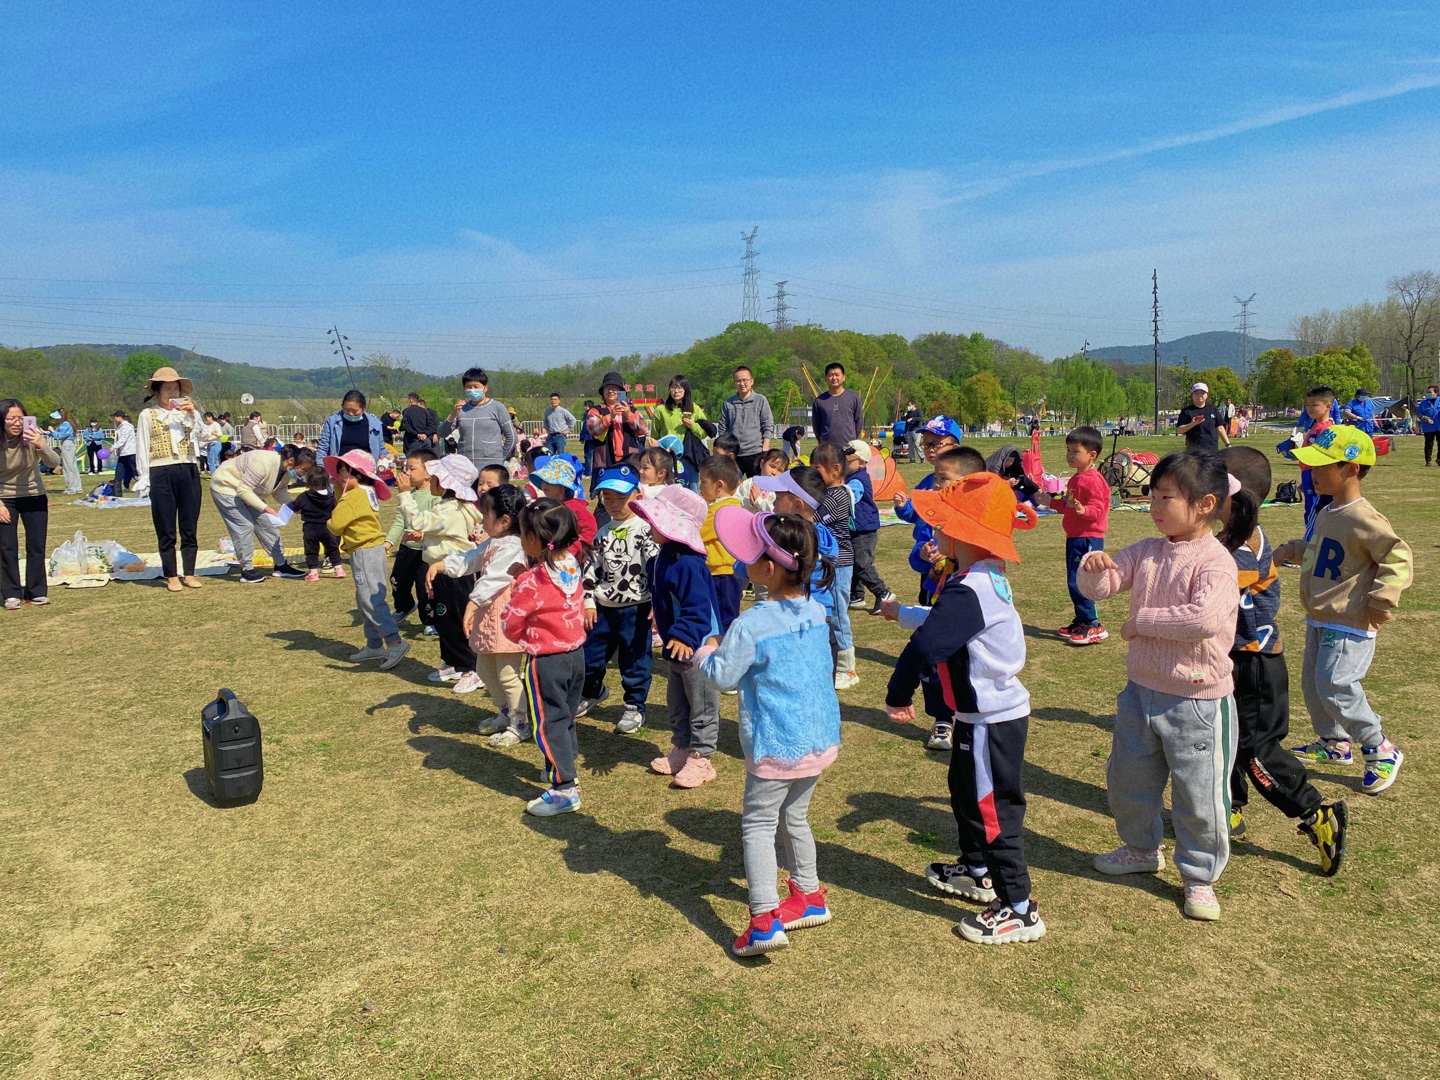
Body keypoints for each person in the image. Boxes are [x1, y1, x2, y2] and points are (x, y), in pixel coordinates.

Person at [1078, 451, 1240, 922]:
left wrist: (1140, 622)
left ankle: (1200, 875)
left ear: (1205, 504)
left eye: (1166, 498)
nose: (1154, 506)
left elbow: (1203, 620)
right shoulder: (1148, 550)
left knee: (1199, 794)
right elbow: (1102, 586)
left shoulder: (1215, 561)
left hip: (1197, 701)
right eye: (1152, 496)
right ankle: (1140, 849)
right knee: (1128, 780)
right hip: (1140, 692)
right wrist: (1093, 570)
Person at [883, 472, 1044, 944]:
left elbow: (927, 644)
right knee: (965, 793)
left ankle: (1019, 907)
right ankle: (977, 869)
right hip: (977, 719)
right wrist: (904, 613)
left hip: (992, 721)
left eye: (941, 523)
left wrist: (897, 694)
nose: (933, 530)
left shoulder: (971, 587)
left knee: (994, 812)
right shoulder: (977, 577)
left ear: (963, 533)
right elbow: (945, 622)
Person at [697, 511, 841, 956]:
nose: (743, 561)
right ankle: (809, 895)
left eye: (751, 554)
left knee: (759, 824)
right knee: (795, 816)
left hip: (777, 744)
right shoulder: (815, 609)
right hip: (818, 738)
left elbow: (722, 676)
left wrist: (705, 650)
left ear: (769, 568)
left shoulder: (751, 624)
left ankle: (763, 919)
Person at [1219, 447, 1348, 874]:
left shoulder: (1238, 549)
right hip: (1236, 659)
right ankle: (1228, 807)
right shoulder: (1233, 537)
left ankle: (1316, 813)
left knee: (1257, 752)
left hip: (1256, 665)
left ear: (1233, 496)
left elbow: (1213, 590)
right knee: (1227, 737)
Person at [1273, 426, 1411, 795]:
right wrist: (1292, 550)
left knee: (1335, 684)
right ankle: (1334, 742)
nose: (1312, 473)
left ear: (1351, 469)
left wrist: (1382, 600)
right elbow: (1323, 552)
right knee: (1313, 684)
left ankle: (1379, 747)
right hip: (1320, 614)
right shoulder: (1327, 510)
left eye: (1321, 466)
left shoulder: (1364, 517)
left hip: (1349, 619)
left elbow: (1397, 557)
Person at [502, 499, 588, 817]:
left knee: (549, 723)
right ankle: (566, 766)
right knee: (565, 716)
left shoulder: (532, 581)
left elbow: (511, 621)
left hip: (547, 661)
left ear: (533, 538)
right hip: (576, 655)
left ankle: (564, 788)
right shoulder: (572, 564)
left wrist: (520, 584)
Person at [632, 486, 722, 789]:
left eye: (656, 521)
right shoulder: (664, 557)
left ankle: (702, 757)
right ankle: (682, 747)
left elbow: (698, 606)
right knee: (677, 702)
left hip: (697, 646)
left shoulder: (688, 563)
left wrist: (684, 634)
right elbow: (666, 594)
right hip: (676, 646)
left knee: (702, 703)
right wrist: (658, 610)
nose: (650, 525)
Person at [438, 484, 531, 747]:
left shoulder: (513, 546)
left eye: (485, 514)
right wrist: (444, 565)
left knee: (508, 674)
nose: (481, 520)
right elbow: (471, 558)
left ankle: (520, 722)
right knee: (485, 669)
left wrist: (473, 603)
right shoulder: (493, 542)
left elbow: (494, 578)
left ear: (505, 520)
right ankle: (504, 712)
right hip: (489, 617)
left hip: (507, 618)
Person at [578, 463, 659, 734]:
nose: (613, 504)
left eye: (621, 497)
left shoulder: (647, 531)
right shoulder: (602, 533)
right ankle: (592, 691)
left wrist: (658, 602)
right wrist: (589, 602)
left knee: (634, 660)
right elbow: (590, 570)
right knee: (590, 657)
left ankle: (635, 705)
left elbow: (656, 569)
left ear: (638, 495)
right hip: (603, 609)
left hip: (637, 608)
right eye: (607, 497)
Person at [401, 454, 482, 689]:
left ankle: (472, 667)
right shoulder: (453, 507)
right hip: (445, 572)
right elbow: (448, 535)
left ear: (445, 483)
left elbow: (418, 521)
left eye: (435, 477)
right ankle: (453, 662)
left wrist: (404, 494)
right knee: (444, 618)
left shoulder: (449, 509)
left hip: (453, 573)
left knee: (457, 619)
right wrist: (424, 537)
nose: (431, 480)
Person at [325, 450, 409, 671]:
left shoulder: (353, 496)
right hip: (374, 549)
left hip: (363, 551)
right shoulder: (366, 491)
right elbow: (345, 504)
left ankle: (394, 642)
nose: (339, 476)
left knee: (370, 599)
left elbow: (336, 524)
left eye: (342, 471)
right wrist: (339, 487)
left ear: (354, 473)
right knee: (367, 597)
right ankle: (374, 644)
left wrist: (332, 513)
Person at [134, 366, 204, 592]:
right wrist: (144, 478)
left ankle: (189, 573)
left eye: (175, 388)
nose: (172, 393)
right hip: (161, 470)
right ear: (157, 391)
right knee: (165, 525)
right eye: (167, 389)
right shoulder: (147, 415)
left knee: (189, 524)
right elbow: (142, 447)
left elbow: (205, 436)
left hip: (188, 468)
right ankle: (171, 575)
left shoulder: (189, 413)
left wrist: (193, 415)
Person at [209, 444, 310, 584]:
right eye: (303, 470)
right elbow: (243, 490)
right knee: (244, 526)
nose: (302, 474)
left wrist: (293, 506)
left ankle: (281, 565)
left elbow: (279, 491)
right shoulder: (262, 463)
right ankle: (247, 570)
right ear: (291, 460)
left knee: (267, 525)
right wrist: (265, 508)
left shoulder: (285, 470)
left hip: (248, 491)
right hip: (226, 487)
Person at [892, 416, 965, 604]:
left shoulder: (964, 487)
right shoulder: (927, 482)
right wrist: (904, 507)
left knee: (947, 605)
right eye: (926, 444)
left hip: (953, 563)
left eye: (936, 444)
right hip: (925, 553)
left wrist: (948, 549)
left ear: (955, 448)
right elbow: (915, 513)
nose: (930, 449)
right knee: (926, 601)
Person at [1050, 426, 1110, 646]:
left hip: (1087, 538)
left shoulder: (1092, 480)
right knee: (1073, 579)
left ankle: (1093, 624)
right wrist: (1049, 502)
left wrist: (1084, 511)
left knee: (1082, 580)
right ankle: (1082, 619)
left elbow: (1098, 508)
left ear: (1092, 455)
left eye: (1075, 451)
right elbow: (1068, 504)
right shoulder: (1076, 478)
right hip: (1075, 536)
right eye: (1068, 450)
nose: (1069, 455)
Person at [1, 399, 62, 608]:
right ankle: (11, 593)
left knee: (36, 546)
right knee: (7, 547)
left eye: (20, 418)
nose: (17, 423)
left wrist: (41, 444)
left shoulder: (31, 437)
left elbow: (54, 463)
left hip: (34, 495)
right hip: (4, 497)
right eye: (11, 419)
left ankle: (36, 591)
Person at [810, 442, 858, 690]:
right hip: (828, 564)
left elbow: (814, 517)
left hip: (840, 564)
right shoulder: (828, 494)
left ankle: (847, 669)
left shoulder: (837, 496)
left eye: (817, 469)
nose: (813, 474)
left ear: (836, 469)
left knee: (838, 615)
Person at [386, 448, 440, 633]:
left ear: (428, 473)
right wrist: (388, 542)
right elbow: (399, 520)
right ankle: (404, 606)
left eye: (412, 468)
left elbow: (438, 525)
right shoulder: (408, 494)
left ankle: (430, 620)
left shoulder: (435, 496)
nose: (407, 472)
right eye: (406, 468)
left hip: (426, 551)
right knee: (396, 580)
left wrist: (423, 535)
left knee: (425, 587)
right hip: (406, 548)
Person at [842, 440, 894, 616]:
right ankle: (856, 595)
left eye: (849, 461)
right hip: (856, 528)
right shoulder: (851, 476)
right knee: (853, 561)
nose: (844, 464)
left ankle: (883, 593)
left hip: (864, 529)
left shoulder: (857, 480)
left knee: (862, 564)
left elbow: (849, 497)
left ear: (862, 462)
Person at [699, 454, 745, 635]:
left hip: (721, 574)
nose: (700, 486)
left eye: (703, 482)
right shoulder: (732, 505)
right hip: (728, 574)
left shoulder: (719, 511)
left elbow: (697, 532)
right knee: (725, 617)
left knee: (722, 620)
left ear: (719, 485)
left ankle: (725, 648)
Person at [439, 369, 516, 473]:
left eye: (476, 386)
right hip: (465, 467)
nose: (472, 390)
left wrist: (500, 459)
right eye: (468, 387)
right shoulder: (461, 409)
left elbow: (512, 437)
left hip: (491, 467)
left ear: (485, 388)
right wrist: (453, 414)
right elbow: (441, 433)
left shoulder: (497, 408)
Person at [284, 465, 345, 583]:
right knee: (332, 548)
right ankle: (339, 569)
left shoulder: (304, 496)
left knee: (311, 551)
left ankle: (313, 573)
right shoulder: (330, 497)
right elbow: (335, 510)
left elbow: (293, 507)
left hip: (310, 528)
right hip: (327, 527)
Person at [584, 371, 648, 476]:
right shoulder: (596, 410)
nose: (610, 391)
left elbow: (643, 430)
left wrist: (629, 415)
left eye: (614, 388)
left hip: (630, 460)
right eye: (607, 388)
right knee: (605, 486)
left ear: (621, 391)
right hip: (604, 461)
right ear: (602, 392)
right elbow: (593, 429)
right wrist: (610, 416)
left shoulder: (632, 410)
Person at [717, 366, 775, 476]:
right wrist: (724, 449)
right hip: (734, 454)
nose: (742, 383)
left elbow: (768, 424)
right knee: (731, 484)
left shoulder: (760, 400)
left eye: (745, 380)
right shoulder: (728, 403)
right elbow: (722, 427)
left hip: (755, 452)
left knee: (755, 485)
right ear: (734, 383)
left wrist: (765, 447)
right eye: (738, 381)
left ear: (751, 381)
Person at [316, 389, 386, 462]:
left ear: (363, 408)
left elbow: (381, 449)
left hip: (366, 467)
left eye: (355, 411)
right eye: (347, 410)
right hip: (340, 466)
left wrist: (388, 456)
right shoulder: (332, 422)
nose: (351, 414)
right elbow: (323, 448)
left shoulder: (375, 424)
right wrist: (321, 466)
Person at [811, 362, 866, 448]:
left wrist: (853, 440)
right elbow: (816, 425)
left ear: (843, 377)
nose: (834, 378)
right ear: (826, 378)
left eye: (837, 375)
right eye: (831, 375)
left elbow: (859, 421)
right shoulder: (819, 401)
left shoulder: (853, 398)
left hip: (849, 447)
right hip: (827, 448)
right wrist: (822, 442)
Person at [1176, 383, 1230, 452]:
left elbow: (1220, 428)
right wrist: (1192, 424)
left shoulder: (1213, 409)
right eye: (1196, 393)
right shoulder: (1186, 411)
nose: (1199, 395)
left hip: (1212, 449)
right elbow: (1179, 430)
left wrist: (1228, 445)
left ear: (1207, 395)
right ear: (1192, 396)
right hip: (1193, 451)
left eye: (1202, 393)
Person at [51, 408, 82, 495]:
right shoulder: (67, 423)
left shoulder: (65, 424)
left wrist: (52, 431)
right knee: (73, 467)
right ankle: (77, 488)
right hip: (70, 445)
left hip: (67, 444)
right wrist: (47, 432)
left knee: (68, 467)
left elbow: (60, 435)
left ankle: (71, 488)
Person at [110, 411, 137, 493]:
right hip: (123, 453)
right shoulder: (120, 426)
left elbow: (123, 439)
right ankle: (116, 488)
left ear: (119, 417)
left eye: (115, 416)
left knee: (134, 471)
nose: (114, 418)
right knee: (119, 471)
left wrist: (114, 447)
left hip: (130, 452)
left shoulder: (126, 426)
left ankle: (144, 485)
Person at [1417, 385, 1440, 465]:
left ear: (1436, 393)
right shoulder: (1423, 403)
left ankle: (1439, 459)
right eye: (1427, 392)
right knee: (1429, 444)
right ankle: (1428, 460)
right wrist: (1426, 419)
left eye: (1430, 392)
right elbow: (1418, 413)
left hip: (1439, 426)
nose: (1428, 394)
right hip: (1428, 427)